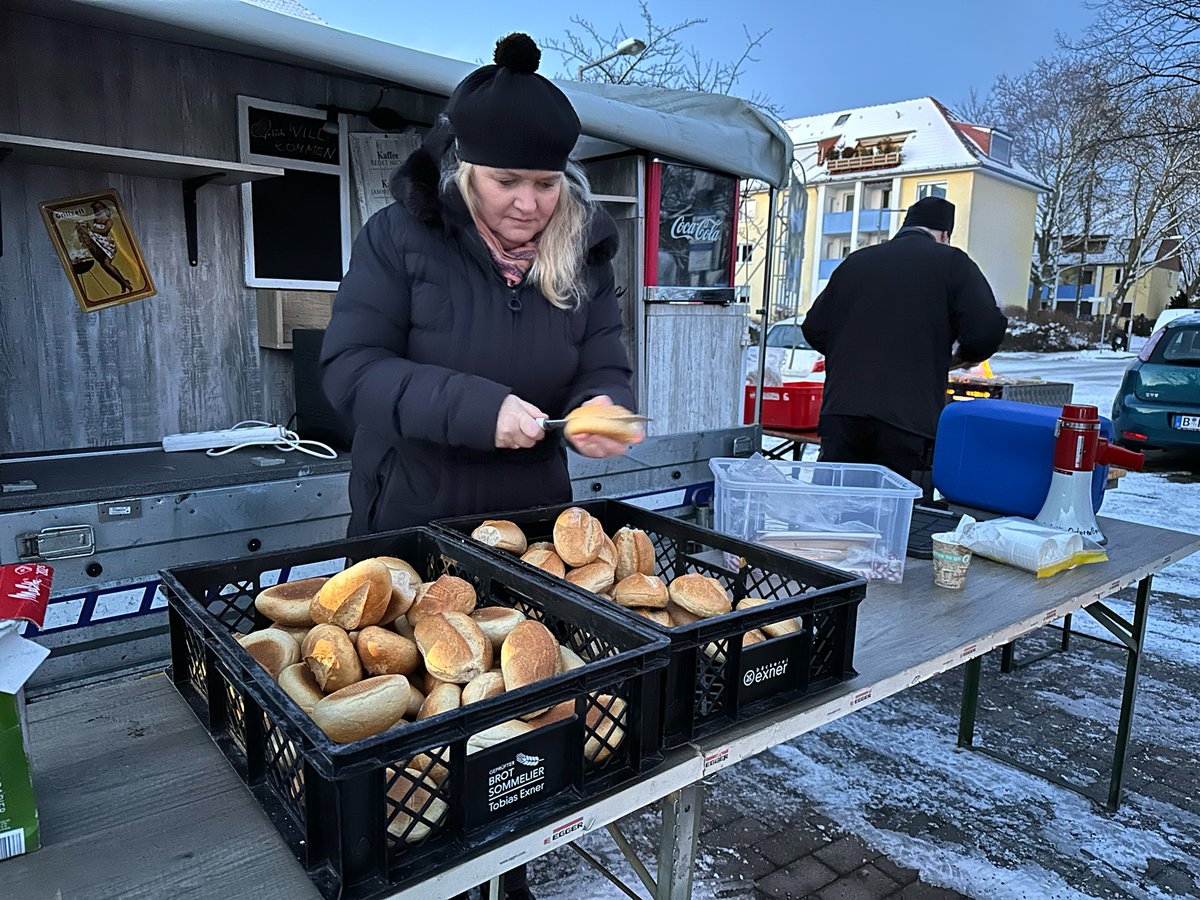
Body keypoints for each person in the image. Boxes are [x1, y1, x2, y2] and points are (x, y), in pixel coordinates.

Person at [320, 33, 639, 900]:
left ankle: (509, 862)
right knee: (418, 713)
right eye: (507, 182)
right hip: (410, 517)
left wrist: (603, 408)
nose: (528, 204)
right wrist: (474, 407)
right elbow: (349, 371)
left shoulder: (584, 251)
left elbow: (604, 363)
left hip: (531, 527)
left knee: (521, 707)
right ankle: (419, 866)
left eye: (546, 184)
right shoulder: (399, 238)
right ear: (465, 168)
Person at [801, 196, 1007, 493]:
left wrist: (854, 354)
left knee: (834, 510)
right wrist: (959, 358)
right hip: (908, 423)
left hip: (842, 417)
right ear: (944, 234)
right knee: (899, 516)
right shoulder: (952, 262)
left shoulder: (856, 262)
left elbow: (814, 329)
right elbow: (986, 331)